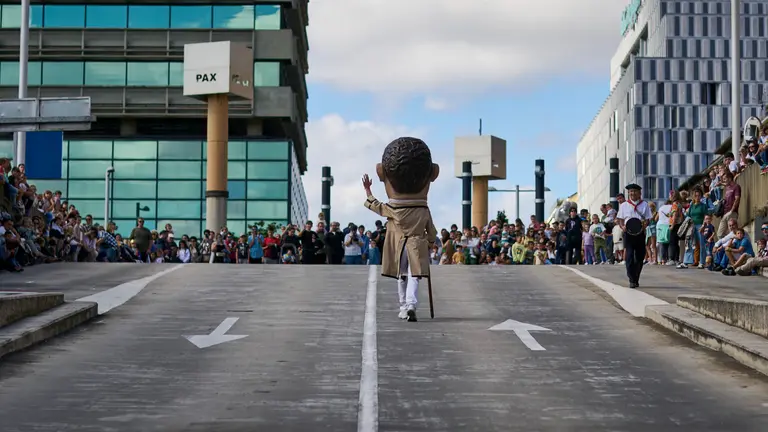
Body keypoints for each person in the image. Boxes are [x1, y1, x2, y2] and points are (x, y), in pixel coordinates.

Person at [362, 136, 439, 322]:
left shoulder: (393, 209)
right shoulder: (423, 209)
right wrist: (430, 243)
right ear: (433, 174)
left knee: (401, 276)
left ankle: (403, 306)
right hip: (416, 244)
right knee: (415, 275)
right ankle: (411, 304)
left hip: (397, 245)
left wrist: (368, 190)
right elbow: (432, 231)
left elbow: (376, 206)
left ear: (382, 173)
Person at [616, 183, 653, 288]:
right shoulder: (624, 205)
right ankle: (631, 278)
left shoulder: (644, 205)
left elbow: (648, 219)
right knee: (630, 256)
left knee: (640, 256)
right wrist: (622, 226)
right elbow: (620, 219)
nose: (632, 193)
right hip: (628, 234)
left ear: (639, 193)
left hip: (640, 233)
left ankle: (636, 277)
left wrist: (644, 226)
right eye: (631, 191)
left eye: (635, 191)